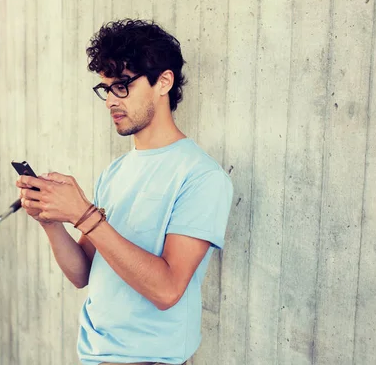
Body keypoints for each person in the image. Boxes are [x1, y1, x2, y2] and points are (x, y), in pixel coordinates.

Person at [16, 19, 233, 365]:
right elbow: (83, 273)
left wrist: (84, 216)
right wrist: (51, 221)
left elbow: (167, 289)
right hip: (93, 355)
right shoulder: (114, 172)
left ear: (163, 82)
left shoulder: (202, 176)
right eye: (106, 88)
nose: (110, 101)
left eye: (122, 86)